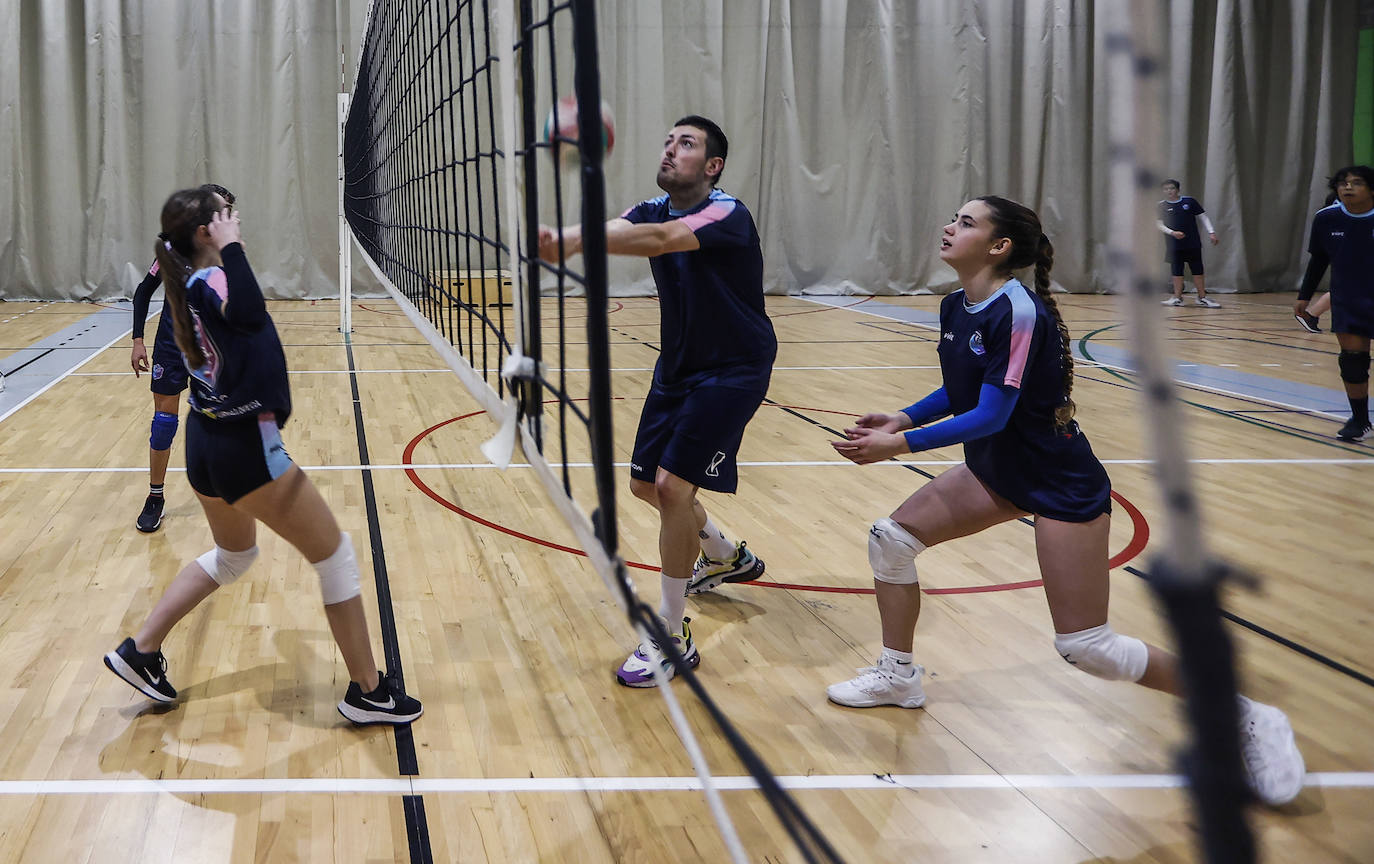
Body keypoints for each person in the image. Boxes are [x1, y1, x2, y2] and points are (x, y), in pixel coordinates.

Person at [826, 195, 1306, 806]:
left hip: (1057, 481)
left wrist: (902, 444)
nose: (949, 226)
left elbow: (993, 415)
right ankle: (898, 677)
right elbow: (960, 390)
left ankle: (1245, 714)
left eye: (967, 222)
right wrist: (904, 414)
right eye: (954, 217)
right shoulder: (957, 304)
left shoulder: (1020, 312)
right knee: (891, 538)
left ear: (1000, 248)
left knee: (1088, 647)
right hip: (999, 471)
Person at [104, 186, 422, 725]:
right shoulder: (215, 277)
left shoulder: (189, 283)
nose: (237, 222)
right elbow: (250, 312)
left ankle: (142, 649)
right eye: (227, 218)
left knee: (235, 556)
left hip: (205, 442)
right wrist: (233, 248)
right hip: (244, 450)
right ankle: (369, 692)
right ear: (208, 231)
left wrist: (224, 247)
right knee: (336, 557)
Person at [537, 115, 775, 687]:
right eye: (667, 140)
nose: (671, 149)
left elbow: (662, 241)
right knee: (645, 486)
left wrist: (568, 241)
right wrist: (567, 235)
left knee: (672, 487)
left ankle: (672, 632)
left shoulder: (727, 212)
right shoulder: (652, 206)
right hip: (678, 368)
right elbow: (622, 226)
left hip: (734, 369)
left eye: (686, 144)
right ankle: (723, 553)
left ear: (712, 166)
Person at [129, 183, 236, 533]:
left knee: (223, 419)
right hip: (171, 347)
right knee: (164, 424)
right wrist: (137, 340)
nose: (228, 216)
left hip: (211, 348)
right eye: (222, 209)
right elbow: (144, 291)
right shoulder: (172, 250)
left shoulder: (227, 251)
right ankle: (155, 496)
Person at [1294, 165, 1374, 441]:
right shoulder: (1327, 218)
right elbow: (1319, 259)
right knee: (1353, 362)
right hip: (1349, 299)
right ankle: (1360, 420)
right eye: (1342, 183)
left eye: (1356, 182)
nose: (1347, 187)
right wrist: (1304, 296)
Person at [1157, 179, 1221, 307]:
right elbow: (1158, 223)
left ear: (1178, 189)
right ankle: (1177, 298)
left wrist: (1211, 232)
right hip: (1174, 245)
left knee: (1197, 270)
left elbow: (1203, 217)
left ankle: (1202, 297)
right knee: (1176, 270)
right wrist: (1172, 233)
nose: (1169, 191)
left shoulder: (1189, 201)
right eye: (1166, 189)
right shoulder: (1160, 205)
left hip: (1192, 243)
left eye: (1172, 188)